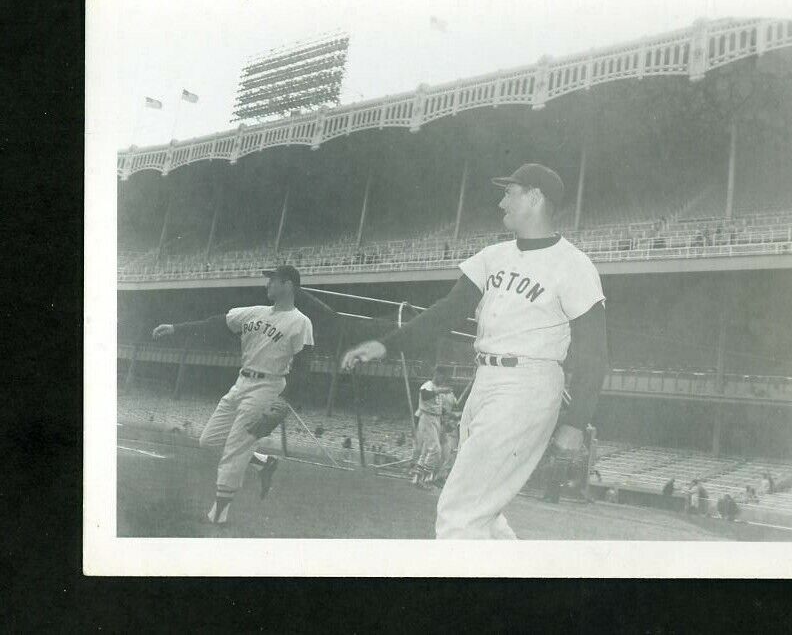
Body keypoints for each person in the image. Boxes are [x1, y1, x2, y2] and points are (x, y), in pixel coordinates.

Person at [341, 164, 609, 539]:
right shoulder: (493, 256)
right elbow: (447, 312)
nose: (501, 201)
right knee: (486, 514)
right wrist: (387, 344)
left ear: (534, 198)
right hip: (485, 381)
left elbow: (595, 350)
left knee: (459, 512)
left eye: (509, 192)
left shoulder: (574, 265)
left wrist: (577, 421)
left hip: (528, 384)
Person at [151, 265, 330, 525]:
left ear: (288, 285)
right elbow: (215, 323)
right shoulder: (255, 312)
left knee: (235, 448)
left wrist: (283, 401)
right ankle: (261, 463)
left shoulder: (301, 322)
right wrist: (176, 328)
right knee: (209, 440)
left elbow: (304, 367)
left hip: (267, 387)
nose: (267, 284)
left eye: (273, 280)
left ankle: (219, 514)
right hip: (241, 383)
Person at [411, 366, 456, 488]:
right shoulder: (428, 385)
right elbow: (425, 395)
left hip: (436, 418)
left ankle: (418, 478)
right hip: (427, 418)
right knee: (435, 449)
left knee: (430, 450)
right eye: (442, 376)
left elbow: (439, 408)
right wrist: (441, 391)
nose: (443, 379)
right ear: (436, 374)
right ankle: (423, 479)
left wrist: (447, 416)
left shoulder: (437, 388)